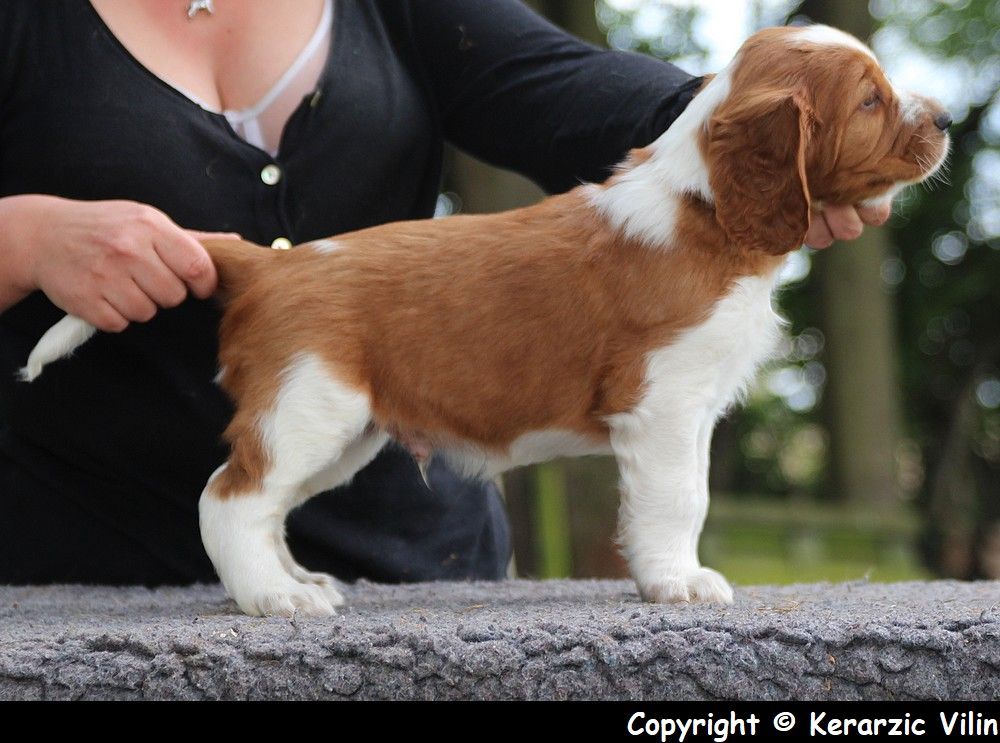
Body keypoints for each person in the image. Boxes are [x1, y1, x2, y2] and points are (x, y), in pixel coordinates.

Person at [0, 0, 889, 586]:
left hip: (422, 576)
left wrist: (767, 143)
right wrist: (23, 238)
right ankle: (243, 521)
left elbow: (558, 82)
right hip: (71, 571)